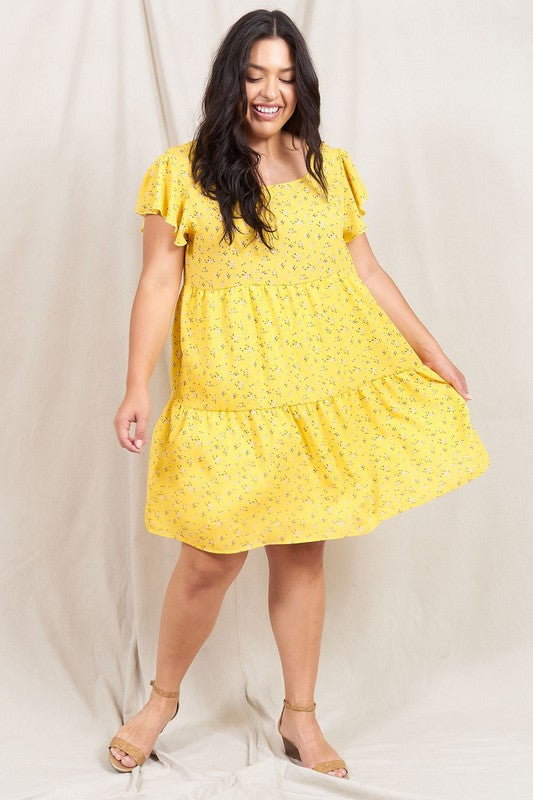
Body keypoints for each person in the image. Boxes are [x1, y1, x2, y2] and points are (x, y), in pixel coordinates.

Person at [108, 8, 490, 780]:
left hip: (317, 386)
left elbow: (368, 273)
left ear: (301, 86)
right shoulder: (180, 173)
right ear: (230, 83)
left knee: (301, 553)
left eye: (283, 77)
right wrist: (134, 385)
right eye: (253, 76)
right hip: (227, 390)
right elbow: (158, 280)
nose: (268, 92)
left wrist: (436, 354)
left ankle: (300, 716)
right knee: (210, 559)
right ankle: (161, 700)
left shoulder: (326, 168)